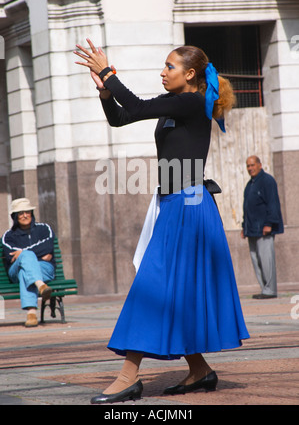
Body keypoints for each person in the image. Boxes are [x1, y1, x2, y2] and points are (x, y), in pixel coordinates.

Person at [74, 39, 250, 404]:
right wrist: (106, 93)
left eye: (169, 67)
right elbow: (123, 117)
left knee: (152, 286)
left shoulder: (190, 102)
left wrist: (108, 70)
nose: (162, 72)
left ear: (189, 74)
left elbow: (136, 105)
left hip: (189, 207)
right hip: (174, 205)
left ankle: (128, 376)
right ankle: (200, 370)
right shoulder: (176, 106)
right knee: (174, 291)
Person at [2, 198, 55, 327]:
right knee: (26, 257)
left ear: (32, 213)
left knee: (25, 271)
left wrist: (22, 253)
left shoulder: (44, 229)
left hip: (45, 269)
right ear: (15, 216)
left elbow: (48, 247)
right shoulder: (8, 236)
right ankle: (41, 285)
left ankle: (31, 313)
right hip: (14, 271)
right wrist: (37, 255)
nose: (25, 215)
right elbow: (10, 257)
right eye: (21, 213)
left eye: (27, 212)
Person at [241, 156, 284, 299]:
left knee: (266, 260)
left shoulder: (267, 181)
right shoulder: (250, 184)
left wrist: (269, 223)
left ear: (260, 165)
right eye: (248, 166)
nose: (250, 168)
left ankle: (270, 290)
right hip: (252, 229)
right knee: (256, 260)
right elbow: (247, 207)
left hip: (264, 229)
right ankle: (264, 289)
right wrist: (244, 226)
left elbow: (273, 203)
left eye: (252, 165)